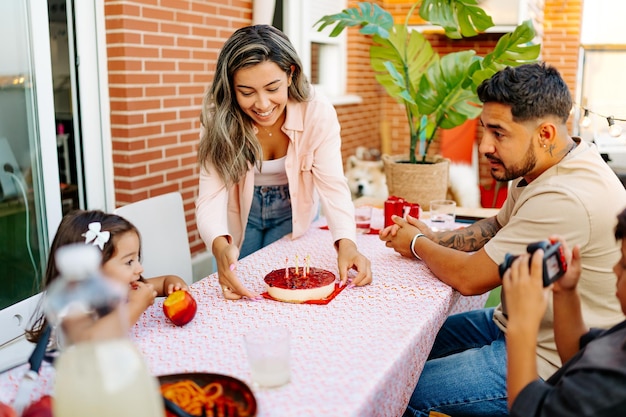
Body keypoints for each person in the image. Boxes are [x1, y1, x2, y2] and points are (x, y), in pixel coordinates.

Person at [379, 62, 626, 416]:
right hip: (512, 322)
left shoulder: (565, 195)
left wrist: (418, 246)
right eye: (484, 130)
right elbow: (497, 226)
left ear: (545, 134)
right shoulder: (544, 164)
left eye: (498, 133)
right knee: (405, 345)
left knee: (401, 389)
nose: (484, 147)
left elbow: (470, 279)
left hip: (552, 356)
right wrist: (434, 236)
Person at [195, 24, 372, 300]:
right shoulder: (217, 118)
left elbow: (333, 186)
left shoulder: (317, 111)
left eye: (272, 87)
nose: (263, 104)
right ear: (231, 86)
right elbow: (209, 197)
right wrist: (220, 247)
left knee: (288, 291)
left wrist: (347, 243)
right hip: (243, 213)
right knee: (246, 292)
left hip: (293, 209)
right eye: (246, 91)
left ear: (290, 74)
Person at [504, 221, 626, 416]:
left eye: (624, 264)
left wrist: (522, 323)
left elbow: (527, 409)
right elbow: (577, 353)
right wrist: (565, 292)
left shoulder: (614, 386)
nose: (615, 268)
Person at [27, 210, 189, 344]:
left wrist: (174, 285)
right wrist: (136, 305)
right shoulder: (75, 307)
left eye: (137, 259)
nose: (140, 268)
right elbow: (92, 340)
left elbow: (162, 282)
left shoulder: (121, 289)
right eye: (129, 262)